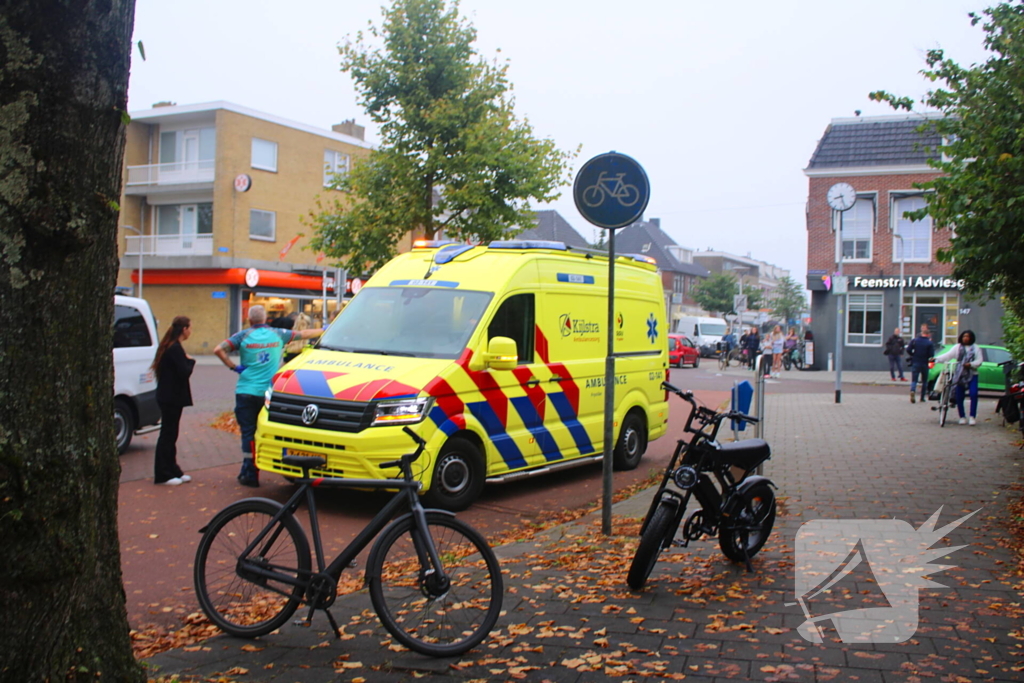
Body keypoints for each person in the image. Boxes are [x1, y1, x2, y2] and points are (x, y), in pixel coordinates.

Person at [214, 305, 324, 486]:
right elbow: (303, 335)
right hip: (268, 394)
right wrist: (324, 329)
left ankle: (251, 472)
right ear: (265, 319)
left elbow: (218, 349)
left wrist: (233, 366)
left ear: (250, 320)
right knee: (264, 432)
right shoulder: (279, 334)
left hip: (246, 391)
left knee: (247, 433)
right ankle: (254, 468)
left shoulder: (242, 336)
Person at [151, 316, 196, 486]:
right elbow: (184, 371)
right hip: (171, 397)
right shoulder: (175, 349)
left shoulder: (169, 346)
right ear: (184, 329)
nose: (191, 331)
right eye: (190, 327)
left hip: (168, 397)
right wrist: (190, 361)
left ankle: (173, 469)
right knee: (168, 435)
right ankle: (163, 473)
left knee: (171, 433)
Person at [932, 329, 981, 425]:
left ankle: (972, 417)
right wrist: (936, 359)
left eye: (968, 337)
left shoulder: (976, 348)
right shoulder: (957, 347)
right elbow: (948, 356)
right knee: (959, 395)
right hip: (959, 373)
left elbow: (979, 360)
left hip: (972, 374)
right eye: (964, 336)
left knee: (974, 394)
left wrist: (971, 364)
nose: (966, 338)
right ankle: (962, 416)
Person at [906, 324, 935, 404]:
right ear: (928, 334)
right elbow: (931, 355)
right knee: (924, 381)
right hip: (925, 363)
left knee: (914, 380)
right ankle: (922, 398)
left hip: (915, 362)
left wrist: (913, 355)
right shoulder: (929, 343)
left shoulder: (914, 340)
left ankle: (912, 390)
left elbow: (908, 349)